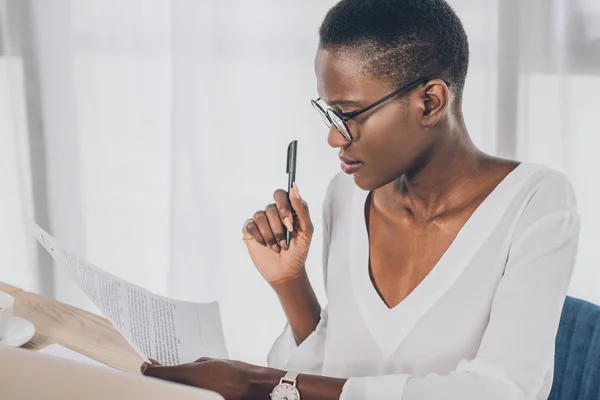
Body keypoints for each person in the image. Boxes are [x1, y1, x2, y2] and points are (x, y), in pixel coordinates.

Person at [141, 0, 581, 399]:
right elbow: (328, 372)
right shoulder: (346, 199)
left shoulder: (536, 203)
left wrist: (260, 381)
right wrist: (289, 283)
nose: (334, 137)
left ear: (430, 102)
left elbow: (501, 391)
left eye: (349, 114)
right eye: (329, 113)